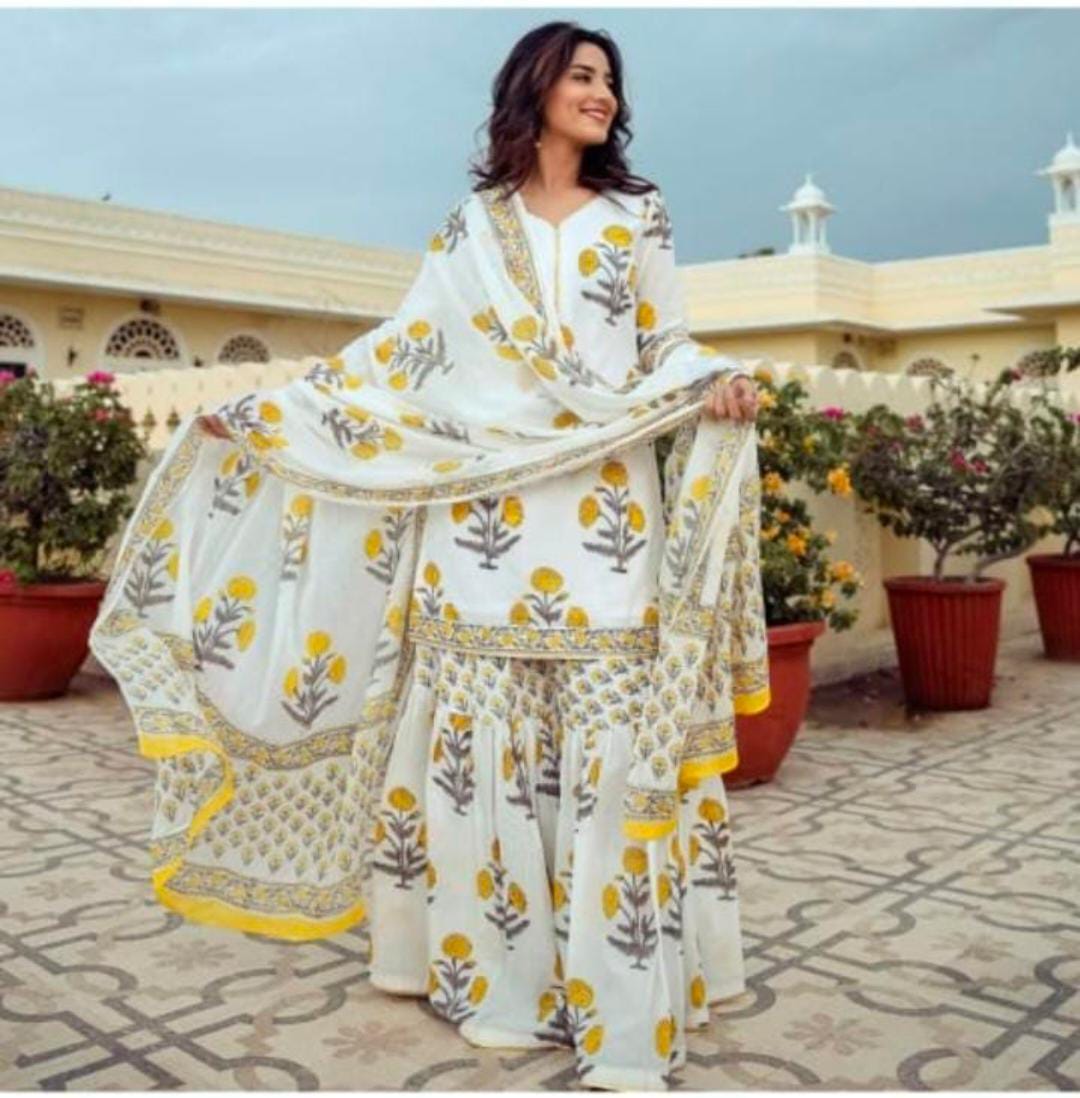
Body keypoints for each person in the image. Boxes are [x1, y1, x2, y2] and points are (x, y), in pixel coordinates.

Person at [94, 19, 769, 1094]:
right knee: (477, 747)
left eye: (610, 80)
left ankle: (619, 1006)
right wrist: (276, 412)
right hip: (481, 522)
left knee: (610, 746)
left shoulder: (638, 214)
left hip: (604, 520)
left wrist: (714, 382)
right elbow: (399, 357)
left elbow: (663, 343)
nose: (602, 94)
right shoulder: (472, 229)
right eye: (582, 76)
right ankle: (500, 986)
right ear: (534, 90)